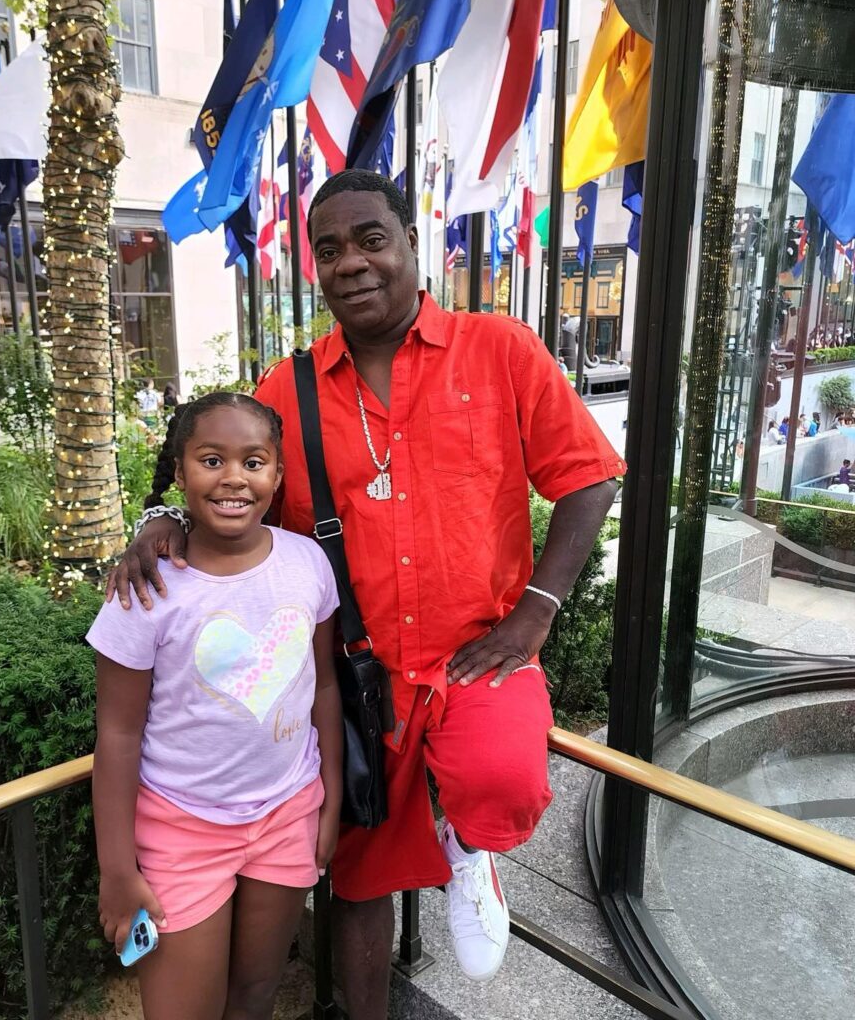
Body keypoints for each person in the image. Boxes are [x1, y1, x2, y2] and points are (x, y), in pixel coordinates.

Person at [108, 171, 624, 1015]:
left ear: (414, 244)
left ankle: (470, 842)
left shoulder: (500, 350)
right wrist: (161, 515)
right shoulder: (293, 387)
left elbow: (591, 476)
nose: (351, 262)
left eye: (371, 240)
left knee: (503, 777)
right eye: (329, 248)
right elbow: (217, 461)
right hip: (358, 683)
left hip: (474, 655)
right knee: (355, 881)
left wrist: (538, 610)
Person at [88, 392, 343, 1020]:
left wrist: (330, 797)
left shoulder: (307, 563)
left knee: (255, 994)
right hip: (182, 831)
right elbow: (117, 736)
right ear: (179, 473)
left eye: (254, 462)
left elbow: (326, 687)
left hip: (288, 814)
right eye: (211, 459)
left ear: (277, 477)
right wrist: (117, 871)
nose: (234, 477)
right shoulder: (146, 591)